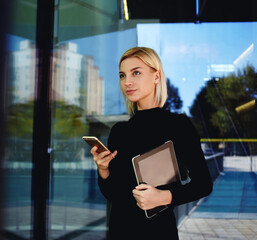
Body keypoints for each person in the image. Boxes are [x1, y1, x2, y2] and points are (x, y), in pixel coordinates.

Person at [90, 47, 213, 239]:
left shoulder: (179, 126)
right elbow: (114, 195)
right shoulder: (119, 132)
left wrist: (164, 197)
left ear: (156, 77)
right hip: (119, 232)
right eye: (122, 75)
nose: (127, 82)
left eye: (136, 73)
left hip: (159, 233)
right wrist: (104, 171)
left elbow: (203, 184)